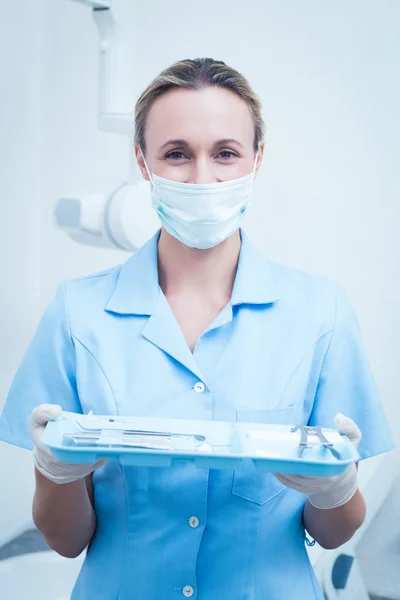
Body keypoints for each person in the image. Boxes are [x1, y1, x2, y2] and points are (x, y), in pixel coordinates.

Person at [0, 57, 394, 600]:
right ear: (143, 161)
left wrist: (334, 491)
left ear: (257, 160)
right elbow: (66, 541)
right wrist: (56, 473)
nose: (203, 177)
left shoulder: (319, 313)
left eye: (226, 153)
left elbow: (333, 533)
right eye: (177, 154)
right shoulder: (78, 314)